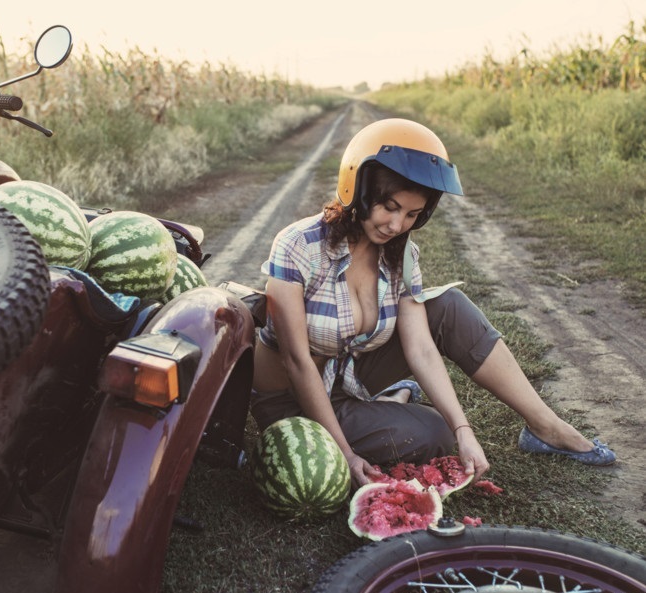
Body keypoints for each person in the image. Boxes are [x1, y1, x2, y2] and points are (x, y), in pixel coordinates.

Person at [251, 117, 616, 488]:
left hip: (347, 377)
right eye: (389, 207)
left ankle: (545, 427)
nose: (396, 225)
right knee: (432, 435)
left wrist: (464, 430)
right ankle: (387, 401)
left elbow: (422, 348)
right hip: (291, 398)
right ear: (359, 188)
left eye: (411, 214)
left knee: (448, 309)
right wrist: (345, 454)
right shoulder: (299, 246)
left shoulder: (401, 256)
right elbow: (296, 360)